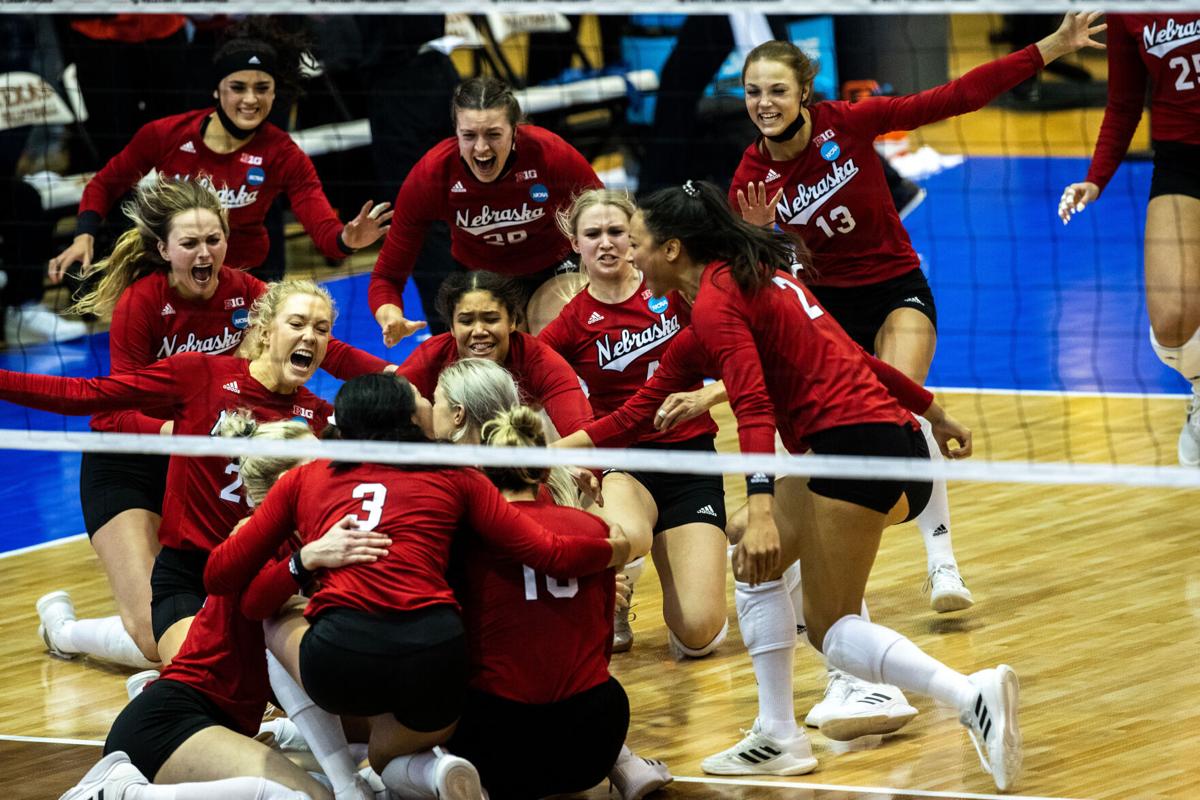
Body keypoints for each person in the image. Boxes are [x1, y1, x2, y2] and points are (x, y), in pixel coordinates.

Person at [556, 181, 1023, 792]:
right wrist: (931, 411)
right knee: (754, 562)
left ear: (672, 249)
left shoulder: (722, 300)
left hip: (856, 451)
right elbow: (629, 416)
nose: (633, 256)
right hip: (875, 442)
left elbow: (751, 406)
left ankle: (969, 696)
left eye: (638, 242)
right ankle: (778, 733)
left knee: (829, 624)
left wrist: (763, 503)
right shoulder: (749, 283)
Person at [729, 12, 1106, 615]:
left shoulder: (846, 124)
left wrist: (1052, 46)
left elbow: (955, 96)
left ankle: (941, 560)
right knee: (822, 445)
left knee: (898, 408)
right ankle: (822, 583)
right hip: (823, 316)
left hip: (893, 288)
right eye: (754, 92)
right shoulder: (750, 179)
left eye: (777, 90)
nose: (765, 103)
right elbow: (754, 286)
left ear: (804, 91)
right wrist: (758, 237)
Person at [203, 372, 633, 799]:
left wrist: (303, 560)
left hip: (344, 659)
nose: (428, 400)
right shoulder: (458, 475)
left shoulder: (305, 479)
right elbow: (548, 551)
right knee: (400, 733)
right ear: (408, 417)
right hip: (437, 657)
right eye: (419, 397)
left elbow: (221, 578)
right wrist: (610, 547)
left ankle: (350, 784)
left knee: (279, 619)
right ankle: (431, 772)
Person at [34, 179, 392, 673]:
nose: (205, 253)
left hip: (204, 455)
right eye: (190, 244)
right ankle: (65, 632)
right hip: (130, 461)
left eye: (214, 240)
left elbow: (326, 347)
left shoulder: (245, 294)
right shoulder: (143, 303)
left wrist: (396, 377)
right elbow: (110, 409)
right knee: (148, 630)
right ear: (163, 249)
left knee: (224, 610)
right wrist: (174, 433)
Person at [2, 280, 358, 669]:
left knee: (311, 663)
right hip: (190, 570)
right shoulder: (200, 375)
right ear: (264, 328)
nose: (310, 336)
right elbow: (87, 394)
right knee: (191, 663)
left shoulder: (318, 421)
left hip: (258, 575)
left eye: (321, 329)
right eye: (297, 324)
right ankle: (65, 633)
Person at [57, 417, 390, 800]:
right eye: (315, 470)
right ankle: (120, 794)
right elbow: (261, 608)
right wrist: (304, 561)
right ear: (284, 485)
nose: (330, 478)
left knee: (340, 779)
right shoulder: (252, 541)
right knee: (309, 799)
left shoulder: (317, 538)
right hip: (172, 722)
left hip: (221, 724)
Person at [47, 18, 392, 285]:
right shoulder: (166, 134)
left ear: (275, 94)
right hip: (174, 279)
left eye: (262, 88)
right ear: (216, 91)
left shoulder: (283, 153)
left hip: (249, 280)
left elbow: (324, 232)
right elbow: (104, 185)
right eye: (237, 88)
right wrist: (84, 233)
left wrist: (347, 239)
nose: (250, 99)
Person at [540, 189, 728, 659]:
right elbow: (524, 382)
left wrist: (707, 394)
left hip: (690, 457)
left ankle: (670, 561)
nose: (606, 243)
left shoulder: (672, 291)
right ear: (575, 245)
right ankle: (613, 591)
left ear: (635, 238)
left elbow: (747, 355)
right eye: (593, 234)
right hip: (624, 460)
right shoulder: (570, 322)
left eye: (616, 232)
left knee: (698, 636)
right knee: (624, 537)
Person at [445, 405, 669, 800]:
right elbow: (602, 649)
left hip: (500, 745)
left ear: (482, 473)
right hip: (592, 739)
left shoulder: (467, 538)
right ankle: (625, 765)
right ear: (547, 473)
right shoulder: (592, 529)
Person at [1058, 13, 1200, 466]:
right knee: (1173, 318)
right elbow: (1123, 104)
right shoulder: (1127, 10)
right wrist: (1096, 178)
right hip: (1182, 163)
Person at [368, 75, 603, 343]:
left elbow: (609, 217)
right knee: (496, 347)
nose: (481, 148)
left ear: (515, 130)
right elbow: (387, 275)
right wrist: (390, 316)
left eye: (493, 134)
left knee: (556, 327)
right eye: (469, 136)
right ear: (456, 132)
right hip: (485, 279)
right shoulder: (433, 174)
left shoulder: (549, 154)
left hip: (554, 267)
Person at [396, 271, 593, 438]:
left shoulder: (541, 360)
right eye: (466, 321)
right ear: (451, 328)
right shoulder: (430, 357)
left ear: (512, 322)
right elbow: (386, 417)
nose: (479, 330)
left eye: (491, 319)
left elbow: (582, 433)